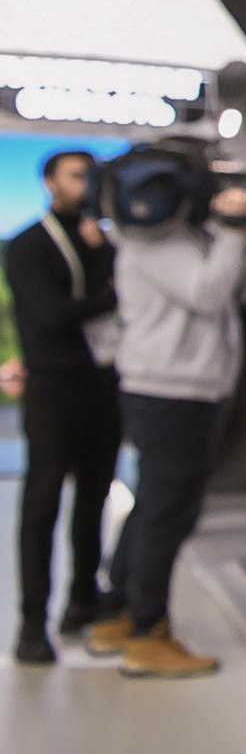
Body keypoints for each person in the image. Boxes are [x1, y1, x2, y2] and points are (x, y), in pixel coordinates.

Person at [83, 173, 246, 680]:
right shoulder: (157, 242)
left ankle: (119, 612)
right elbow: (208, 294)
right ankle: (146, 634)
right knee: (166, 513)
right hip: (170, 392)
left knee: (157, 505)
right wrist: (234, 230)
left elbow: (235, 288)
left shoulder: (181, 238)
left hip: (184, 389)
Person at [5, 149, 120, 664]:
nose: (85, 184)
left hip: (103, 385)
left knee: (95, 498)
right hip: (53, 389)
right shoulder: (29, 244)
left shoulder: (104, 243)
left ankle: (83, 600)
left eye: (91, 175)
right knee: (42, 503)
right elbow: (51, 315)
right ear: (50, 182)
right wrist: (111, 295)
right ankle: (32, 621)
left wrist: (103, 258)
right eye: (76, 175)